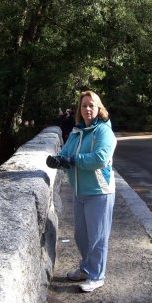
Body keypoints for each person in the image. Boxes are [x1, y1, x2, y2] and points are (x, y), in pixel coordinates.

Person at [46, 90, 117, 292]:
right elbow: (66, 153)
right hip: (80, 191)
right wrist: (58, 160)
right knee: (82, 236)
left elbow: (100, 158)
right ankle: (86, 268)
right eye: (84, 105)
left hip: (99, 192)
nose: (87, 109)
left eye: (91, 105)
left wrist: (73, 160)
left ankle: (97, 276)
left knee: (98, 237)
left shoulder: (104, 132)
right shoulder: (77, 132)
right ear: (80, 109)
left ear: (98, 108)